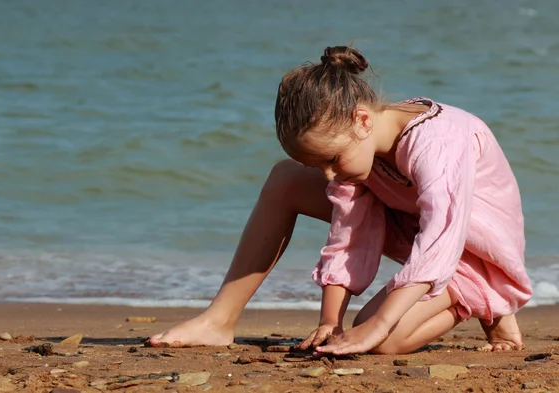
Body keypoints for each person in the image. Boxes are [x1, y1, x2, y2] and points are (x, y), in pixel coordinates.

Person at [149, 45, 533, 355]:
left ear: (362, 120)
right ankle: (219, 320)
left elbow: (440, 240)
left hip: (472, 251)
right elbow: (349, 231)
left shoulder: (438, 142)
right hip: (410, 223)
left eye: (331, 160)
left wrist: (377, 326)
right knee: (286, 179)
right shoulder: (359, 153)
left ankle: (489, 300)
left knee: (386, 341)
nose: (328, 176)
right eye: (317, 165)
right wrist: (330, 322)